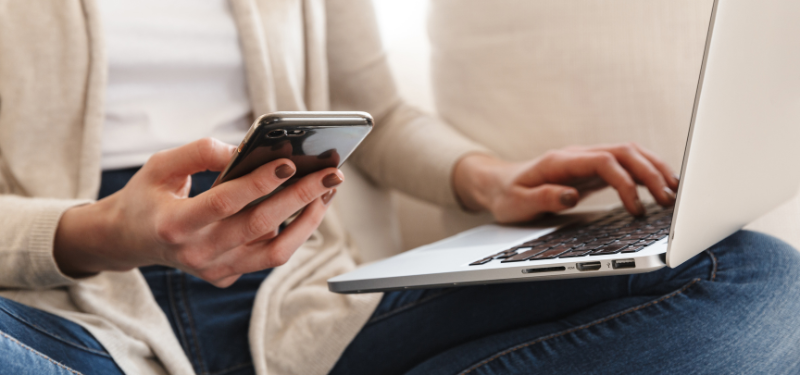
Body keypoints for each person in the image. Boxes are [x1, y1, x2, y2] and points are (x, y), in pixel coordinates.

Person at [0, 1, 798, 375]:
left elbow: (373, 108)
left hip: (306, 303)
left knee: (758, 278)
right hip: (69, 316)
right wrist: (101, 231)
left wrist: (490, 178)